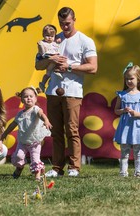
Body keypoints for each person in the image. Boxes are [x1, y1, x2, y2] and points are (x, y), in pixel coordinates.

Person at [35, 7, 98, 177]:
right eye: (61, 23)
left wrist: (69, 66)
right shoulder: (53, 40)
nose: (64, 27)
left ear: (74, 20)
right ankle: (56, 168)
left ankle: (74, 167)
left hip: (73, 92)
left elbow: (93, 67)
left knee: (72, 130)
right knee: (55, 131)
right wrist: (51, 58)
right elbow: (38, 65)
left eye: (67, 23)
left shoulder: (85, 41)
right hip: (53, 91)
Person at [1, 87, 52, 181]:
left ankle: (37, 176)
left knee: (35, 159)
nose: (28, 98)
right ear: (21, 100)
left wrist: (46, 120)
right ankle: (19, 167)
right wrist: (5, 134)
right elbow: (13, 124)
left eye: (31, 96)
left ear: (35, 98)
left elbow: (42, 114)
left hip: (34, 141)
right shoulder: (20, 114)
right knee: (18, 156)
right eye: (25, 96)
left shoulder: (36, 109)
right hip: (23, 141)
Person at [113, 63, 140, 177]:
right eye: (127, 79)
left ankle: (139, 172)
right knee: (124, 152)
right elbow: (116, 110)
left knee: (138, 153)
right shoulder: (121, 95)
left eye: (131, 78)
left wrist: (136, 113)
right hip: (125, 127)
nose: (129, 81)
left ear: (138, 80)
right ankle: (123, 172)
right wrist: (123, 110)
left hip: (137, 128)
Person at [37, 24, 63, 92]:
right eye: (47, 36)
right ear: (43, 35)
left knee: (48, 73)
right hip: (47, 57)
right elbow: (42, 54)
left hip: (53, 61)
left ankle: (42, 83)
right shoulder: (42, 43)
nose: (49, 38)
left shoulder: (54, 42)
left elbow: (57, 39)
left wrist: (57, 38)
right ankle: (43, 83)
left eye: (52, 36)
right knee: (49, 70)